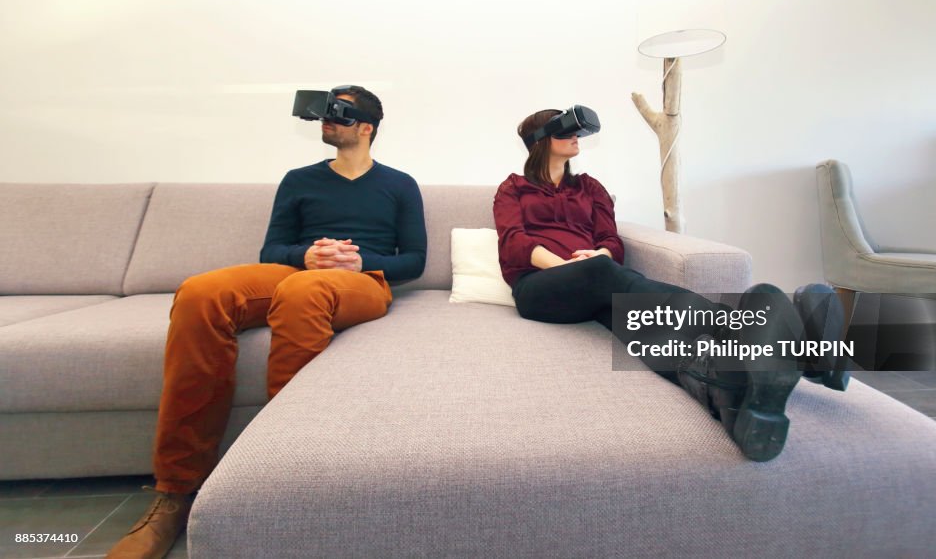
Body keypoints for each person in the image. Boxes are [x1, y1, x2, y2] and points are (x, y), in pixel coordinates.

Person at [108, 86, 427, 559]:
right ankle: (176, 490)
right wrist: (308, 254)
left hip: (365, 280)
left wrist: (358, 263)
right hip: (297, 271)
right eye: (324, 113)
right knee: (200, 292)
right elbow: (271, 251)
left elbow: (415, 260)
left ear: (367, 127)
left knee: (303, 291)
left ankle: (280, 478)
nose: (326, 120)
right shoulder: (299, 179)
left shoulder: (399, 184)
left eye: (341, 114)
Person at [493, 108, 847, 463]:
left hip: (595, 290)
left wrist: (599, 254)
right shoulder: (512, 189)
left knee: (640, 327)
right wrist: (575, 267)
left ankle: (727, 390)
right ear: (540, 140)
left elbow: (611, 241)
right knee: (602, 273)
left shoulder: (590, 188)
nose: (576, 137)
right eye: (566, 130)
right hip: (539, 289)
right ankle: (778, 340)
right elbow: (513, 243)